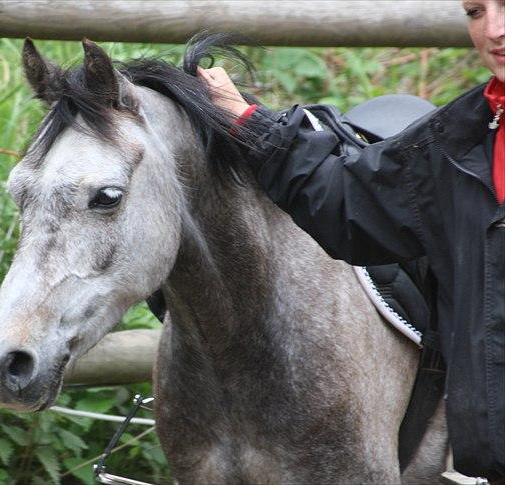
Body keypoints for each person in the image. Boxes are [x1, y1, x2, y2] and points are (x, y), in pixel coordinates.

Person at [198, 0, 505, 481]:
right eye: (474, 11)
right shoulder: (467, 135)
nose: (493, 29)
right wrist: (248, 121)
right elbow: (353, 199)